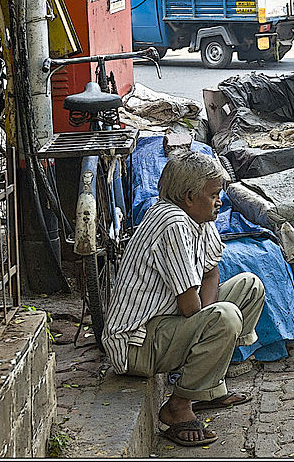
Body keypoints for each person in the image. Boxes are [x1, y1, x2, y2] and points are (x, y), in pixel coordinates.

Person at [102, 150, 265, 447]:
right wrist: (212, 322)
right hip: (134, 345)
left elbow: (211, 272)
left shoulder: (200, 219)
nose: (220, 201)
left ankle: (207, 388)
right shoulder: (173, 223)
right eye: (214, 194)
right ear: (189, 197)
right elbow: (191, 307)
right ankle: (177, 407)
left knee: (249, 287)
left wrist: (211, 319)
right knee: (225, 318)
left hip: (167, 324)